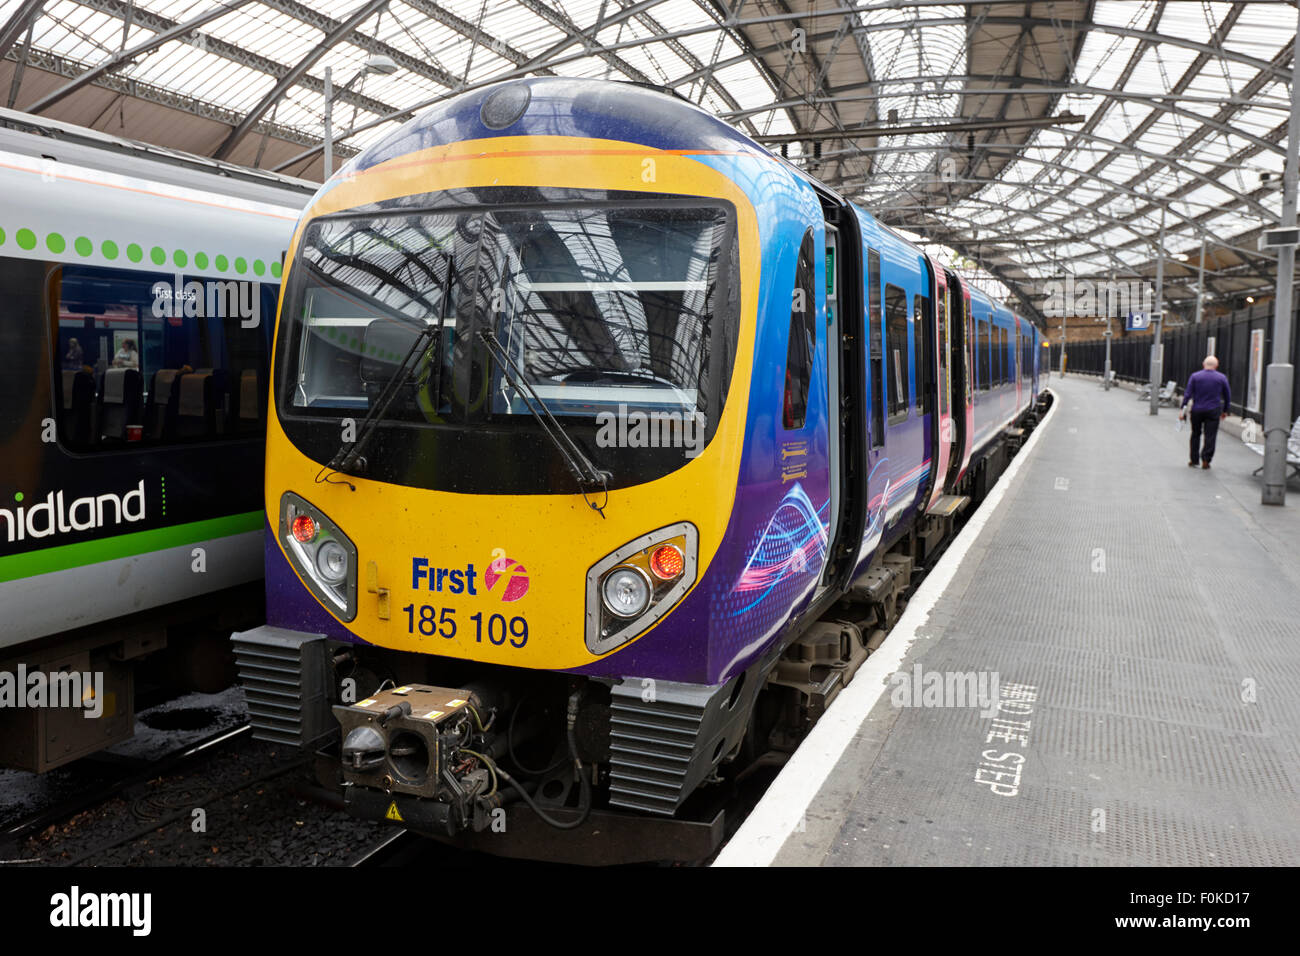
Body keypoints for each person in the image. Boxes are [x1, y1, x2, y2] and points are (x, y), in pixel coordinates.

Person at [1179, 355, 1231, 469]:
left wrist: (1183, 409)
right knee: (1210, 436)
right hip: (1213, 410)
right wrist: (1225, 410)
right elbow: (1227, 396)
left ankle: (1194, 459)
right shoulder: (1221, 378)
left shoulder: (1195, 376)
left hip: (1197, 409)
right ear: (1216, 366)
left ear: (1204, 365)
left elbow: (1187, 394)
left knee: (1195, 434)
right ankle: (1206, 460)